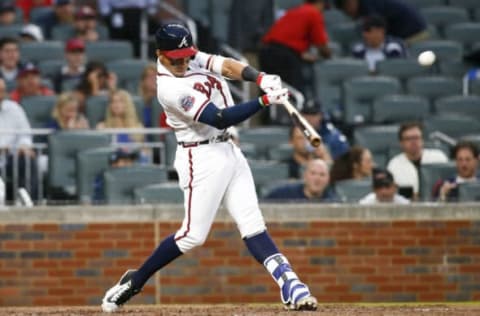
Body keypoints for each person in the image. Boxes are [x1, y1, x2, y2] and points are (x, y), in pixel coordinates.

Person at [101, 23, 318, 312]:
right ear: (159, 54)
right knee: (193, 235)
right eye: (174, 58)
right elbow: (218, 117)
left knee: (253, 224)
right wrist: (264, 100)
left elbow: (224, 65)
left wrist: (260, 77)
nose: (182, 62)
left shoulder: (189, 56)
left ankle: (290, 283)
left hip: (228, 149)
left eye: (185, 56)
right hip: (200, 158)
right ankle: (135, 281)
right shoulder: (169, 88)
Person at [259, 0, 331, 95]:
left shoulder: (296, 10)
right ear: (320, 3)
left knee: (268, 91)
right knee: (293, 93)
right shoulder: (313, 13)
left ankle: (267, 110)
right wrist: (328, 56)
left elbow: (287, 39)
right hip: (283, 55)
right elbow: (321, 45)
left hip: (266, 51)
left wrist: (300, 55)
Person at [387, 121, 448, 201]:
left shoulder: (439, 158)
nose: (413, 142)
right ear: (401, 143)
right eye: (408, 139)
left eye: (416, 138)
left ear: (422, 139)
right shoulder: (394, 165)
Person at [0, 78, 38, 203]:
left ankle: (27, 202)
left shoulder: (14, 109)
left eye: (2, 91)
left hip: (11, 158)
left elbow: (25, 134)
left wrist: (24, 146)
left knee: (28, 159)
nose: (1, 95)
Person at [334, 0, 428, 44]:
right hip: (403, 34)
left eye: (346, 9)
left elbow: (377, 32)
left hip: (414, 33)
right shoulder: (364, 7)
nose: (348, 14)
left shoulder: (369, 5)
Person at [265, 158, 337, 202]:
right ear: (304, 176)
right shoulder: (283, 194)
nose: (317, 178)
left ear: (328, 179)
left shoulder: (333, 202)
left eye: (322, 175)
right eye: (313, 173)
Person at [138, 63, 158, 128]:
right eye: (150, 76)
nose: (154, 79)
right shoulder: (137, 103)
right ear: (143, 81)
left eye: (156, 76)